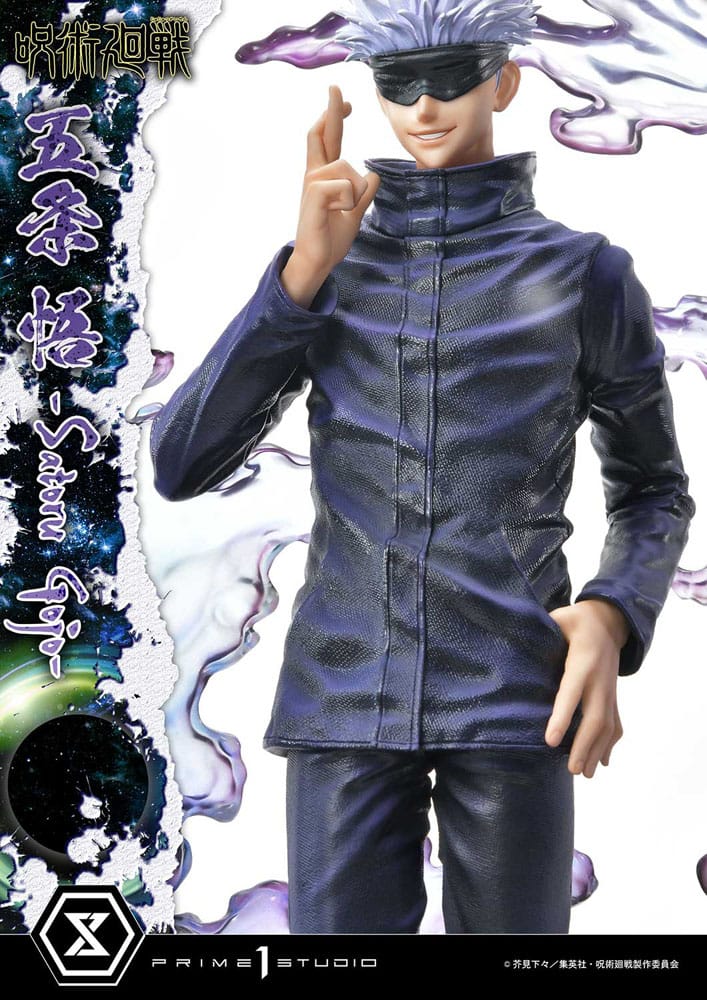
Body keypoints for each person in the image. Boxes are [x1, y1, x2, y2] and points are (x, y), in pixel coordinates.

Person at [150, 0, 695, 933]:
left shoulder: (583, 274)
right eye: (398, 85)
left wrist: (613, 611)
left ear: (505, 82)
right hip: (342, 693)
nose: (425, 107)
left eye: (450, 79)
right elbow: (181, 461)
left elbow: (652, 489)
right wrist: (301, 275)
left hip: (514, 692)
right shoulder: (328, 268)